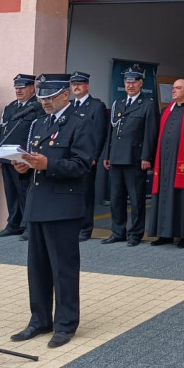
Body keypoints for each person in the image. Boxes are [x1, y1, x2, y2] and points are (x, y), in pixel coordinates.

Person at [9, 74, 99, 349]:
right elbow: (34, 160)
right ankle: (39, 320)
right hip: (38, 203)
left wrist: (49, 164)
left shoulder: (81, 123)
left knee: (63, 269)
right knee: (37, 269)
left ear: (65, 95)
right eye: (42, 98)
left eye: (50, 97)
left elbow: (82, 165)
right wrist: (23, 168)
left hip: (63, 205)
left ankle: (65, 323)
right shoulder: (38, 122)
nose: (45, 102)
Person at [102, 65, 158, 246]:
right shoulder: (118, 103)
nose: (130, 85)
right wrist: (108, 154)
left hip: (135, 159)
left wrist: (146, 158)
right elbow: (111, 131)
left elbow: (150, 133)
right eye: (127, 81)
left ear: (141, 83)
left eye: (134, 82)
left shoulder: (148, 104)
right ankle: (118, 231)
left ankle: (135, 234)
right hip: (117, 157)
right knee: (116, 198)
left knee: (136, 199)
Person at [148, 79, 184, 248]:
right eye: (173, 88)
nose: (174, 90)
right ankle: (165, 234)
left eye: (178, 88)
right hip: (164, 163)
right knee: (163, 196)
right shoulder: (166, 110)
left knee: (183, 198)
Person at [0, 74, 43, 239]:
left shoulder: (37, 107)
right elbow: (3, 130)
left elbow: (37, 133)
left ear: (32, 88)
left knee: (25, 192)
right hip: (8, 156)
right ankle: (13, 224)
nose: (19, 91)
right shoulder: (10, 107)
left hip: (24, 158)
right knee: (11, 192)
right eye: (17, 88)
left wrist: (30, 157)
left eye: (22, 87)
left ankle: (28, 226)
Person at [69, 72, 108, 242]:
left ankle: (85, 229)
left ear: (87, 86)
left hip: (86, 158)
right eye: (73, 84)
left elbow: (99, 133)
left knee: (85, 193)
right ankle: (71, 226)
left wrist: (95, 156)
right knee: (70, 193)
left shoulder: (96, 106)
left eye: (80, 84)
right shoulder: (69, 105)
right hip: (68, 158)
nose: (76, 87)